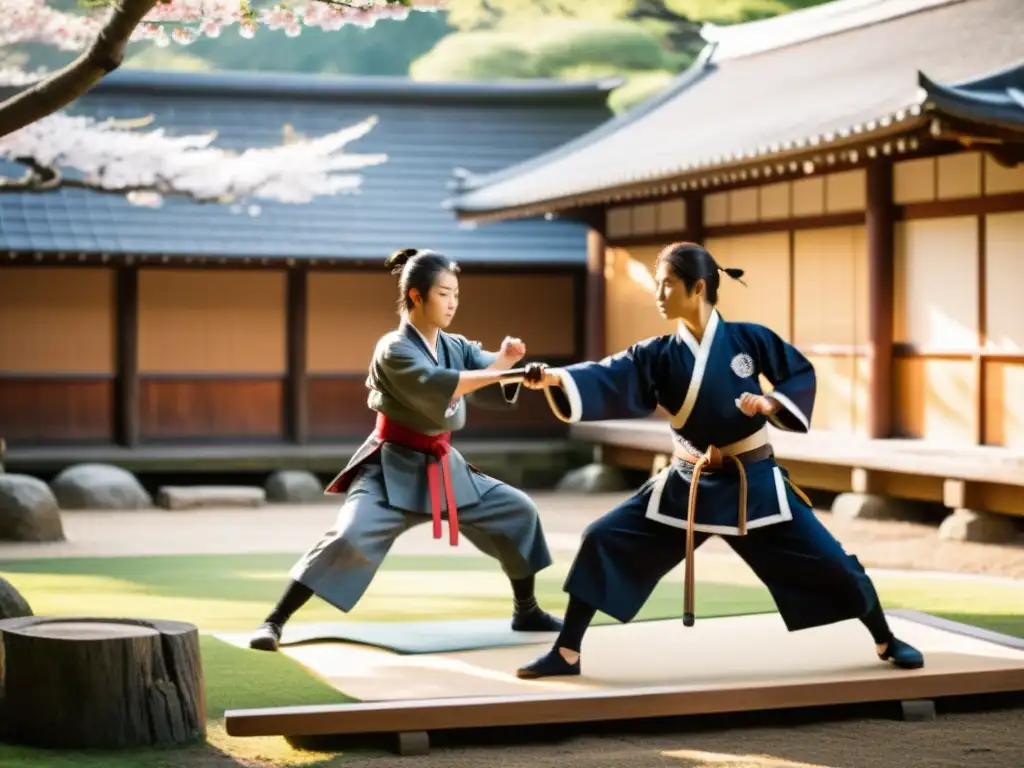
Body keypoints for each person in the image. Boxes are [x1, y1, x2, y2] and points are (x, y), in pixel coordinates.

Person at [515, 241, 924, 679]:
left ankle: (884, 637)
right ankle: (568, 652)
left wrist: (770, 404)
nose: (658, 294)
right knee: (603, 538)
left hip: (753, 484)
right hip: (686, 483)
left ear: (698, 287)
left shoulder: (749, 339)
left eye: (668, 285)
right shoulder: (657, 353)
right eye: (658, 285)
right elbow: (607, 373)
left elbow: (799, 374)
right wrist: (557, 377)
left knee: (833, 563)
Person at [248, 247, 562, 652]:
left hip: (444, 468)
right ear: (416, 296)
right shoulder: (394, 349)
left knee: (517, 510)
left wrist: (511, 363)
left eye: (456, 295)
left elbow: (485, 373)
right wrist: (503, 368)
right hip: (390, 467)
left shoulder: (455, 344)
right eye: (444, 294)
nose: (452, 303)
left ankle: (527, 609)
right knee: (349, 535)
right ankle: (274, 620)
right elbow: (446, 383)